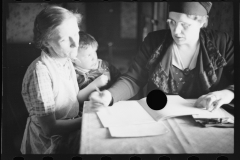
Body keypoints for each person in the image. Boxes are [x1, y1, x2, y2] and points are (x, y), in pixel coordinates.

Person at [89, 2, 234, 113]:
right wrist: (109, 95)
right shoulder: (154, 41)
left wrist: (227, 93)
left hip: (206, 117)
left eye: (185, 25)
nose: (176, 31)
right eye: (172, 22)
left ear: (203, 22)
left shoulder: (221, 43)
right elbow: (133, 79)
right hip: (160, 115)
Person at [21, 5, 83, 154]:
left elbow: (71, 99)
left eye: (76, 33)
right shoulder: (40, 71)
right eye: (64, 39)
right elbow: (50, 129)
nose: (75, 43)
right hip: (48, 145)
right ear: (47, 42)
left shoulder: (65, 59)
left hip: (68, 134)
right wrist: (88, 119)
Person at [71, 31, 121, 112]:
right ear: (74, 58)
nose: (94, 58)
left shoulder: (104, 65)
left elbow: (120, 79)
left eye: (94, 52)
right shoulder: (73, 74)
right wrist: (95, 84)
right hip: (89, 111)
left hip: (111, 105)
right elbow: (78, 99)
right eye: (88, 55)